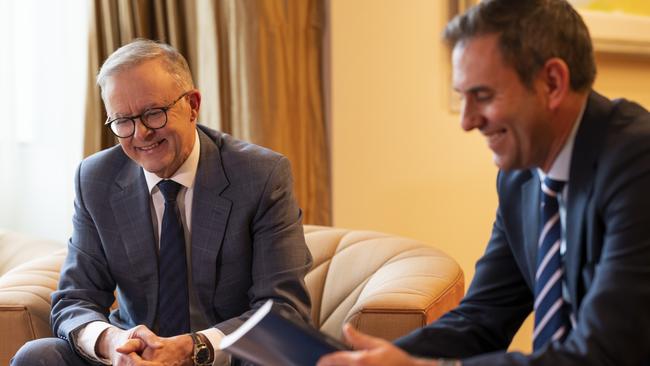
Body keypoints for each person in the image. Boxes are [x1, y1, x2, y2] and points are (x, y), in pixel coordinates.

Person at [318, 0, 650, 365]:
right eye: (462, 98)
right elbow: (482, 317)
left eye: (484, 96)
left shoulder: (637, 162)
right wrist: (370, 358)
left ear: (552, 83)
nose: (467, 121)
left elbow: (607, 352)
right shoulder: (519, 180)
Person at [12, 39, 312, 365]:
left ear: (193, 105)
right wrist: (113, 343)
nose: (141, 134)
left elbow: (283, 309)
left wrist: (190, 347)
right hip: (132, 357)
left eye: (153, 113)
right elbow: (75, 298)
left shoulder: (260, 175)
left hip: (222, 355)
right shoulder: (96, 178)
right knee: (37, 356)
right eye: (123, 121)